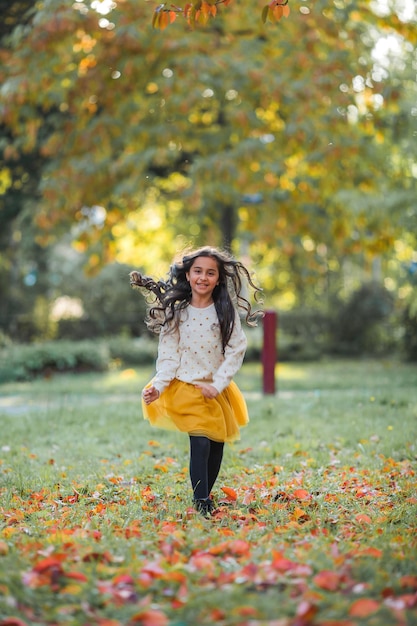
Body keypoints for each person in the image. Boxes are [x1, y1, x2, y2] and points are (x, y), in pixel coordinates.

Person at [130, 246, 262, 516]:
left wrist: (218, 384)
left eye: (210, 273)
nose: (203, 277)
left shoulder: (225, 312)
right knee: (200, 442)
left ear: (218, 278)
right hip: (186, 388)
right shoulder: (176, 313)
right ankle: (201, 501)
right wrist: (158, 386)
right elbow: (168, 356)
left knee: (215, 446)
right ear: (188, 275)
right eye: (198, 271)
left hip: (215, 389)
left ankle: (205, 493)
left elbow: (236, 350)